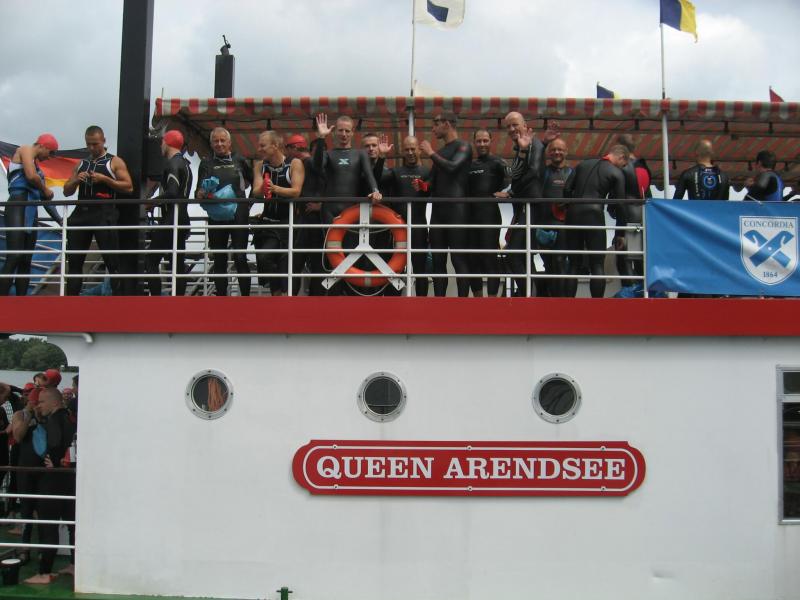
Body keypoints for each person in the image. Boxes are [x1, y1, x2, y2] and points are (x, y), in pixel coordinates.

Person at [312, 114, 382, 294]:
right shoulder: (328, 154)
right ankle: (334, 298)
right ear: (334, 132)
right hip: (330, 211)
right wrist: (321, 139)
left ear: (352, 132)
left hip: (351, 211)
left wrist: (375, 190)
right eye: (340, 130)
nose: (344, 134)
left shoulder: (360, 154)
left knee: (352, 255)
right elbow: (316, 167)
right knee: (333, 257)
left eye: (347, 131)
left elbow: (369, 175)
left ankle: (350, 297)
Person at [62, 126, 134, 296]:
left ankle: (118, 302)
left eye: (95, 144)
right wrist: (76, 181)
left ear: (103, 141)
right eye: (88, 144)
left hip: (104, 211)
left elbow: (129, 187)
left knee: (112, 262)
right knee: (74, 263)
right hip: (81, 212)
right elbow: (66, 191)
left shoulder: (114, 161)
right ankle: (70, 303)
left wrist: (105, 179)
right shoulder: (81, 163)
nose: (92, 147)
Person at [22, 387, 74, 584]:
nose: (39, 405)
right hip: (68, 480)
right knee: (72, 525)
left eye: (42, 402)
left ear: (54, 402)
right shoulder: (70, 418)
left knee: (48, 526)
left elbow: (55, 442)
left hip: (52, 482)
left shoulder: (53, 420)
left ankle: (44, 573)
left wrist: (55, 460)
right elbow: (72, 445)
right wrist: (65, 462)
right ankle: (75, 564)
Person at [416, 112, 472, 297]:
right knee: (438, 261)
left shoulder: (464, 146)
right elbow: (432, 182)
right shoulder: (440, 153)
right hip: (438, 212)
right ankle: (439, 303)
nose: (433, 129)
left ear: (447, 124)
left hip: (457, 211)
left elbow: (453, 167)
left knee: (458, 259)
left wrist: (430, 153)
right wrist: (422, 185)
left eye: (435, 124)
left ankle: (463, 304)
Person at [563, 144, 628, 298]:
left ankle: (568, 303)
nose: (623, 167)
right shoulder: (616, 173)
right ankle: (597, 304)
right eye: (624, 164)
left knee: (573, 263)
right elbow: (620, 205)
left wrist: (570, 207)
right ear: (621, 157)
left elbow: (566, 189)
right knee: (597, 263)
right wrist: (620, 233)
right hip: (594, 214)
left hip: (573, 213)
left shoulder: (583, 164)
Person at [195, 127, 254, 296]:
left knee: (240, 257)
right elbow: (197, 192)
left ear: (229, 142)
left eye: (223, 141)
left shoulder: (239, 160)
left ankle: (246, 299)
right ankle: (222, 299)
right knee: (219, 257)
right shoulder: (206, 163)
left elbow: (255, 183)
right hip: (217, 215)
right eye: (216, 141)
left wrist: (247, 204)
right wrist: (201, 193)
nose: (219, 144)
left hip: (239, 214)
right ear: (211, 144)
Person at [502, 112, 556, 296]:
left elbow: (534, 172)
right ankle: (529, 294)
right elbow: (516, 174)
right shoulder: (523, 147)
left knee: (514, 254)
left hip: (531, 206)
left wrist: (511, 192)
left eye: (515, 125)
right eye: (508, 126)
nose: (511, 129)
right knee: (523, 254)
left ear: (525, 126)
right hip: (522, 208)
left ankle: (527, 294)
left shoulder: (535, 144)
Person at [1, 134, 61, 296]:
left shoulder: (39, 171)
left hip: (31, 211)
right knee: (14, 256)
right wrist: (45, 189)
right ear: (43, 146)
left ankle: (22, 302)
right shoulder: (26, 149)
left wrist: (61, 221)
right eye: (50, 153)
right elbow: (30, 175)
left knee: (26, 260)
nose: (49, 158)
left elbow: (46, 200)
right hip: (18, 205)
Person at [252, 131, 305, 296]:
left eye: (263, 145)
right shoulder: (260, 166)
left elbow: (296, 191)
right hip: (267, 222)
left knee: (286, 263)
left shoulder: (294, 163)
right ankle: (276, 292)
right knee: (264, 258)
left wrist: (274, 189)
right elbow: (255, 192)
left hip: (288, 222)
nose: (259, 149)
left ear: (275, 146)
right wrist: (263, 188)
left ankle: (285, 295)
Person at [145, 130, 193, 296]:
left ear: (166, 143)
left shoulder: (173, 163)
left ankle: (156, 300)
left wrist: (151, 202)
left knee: (151, 260)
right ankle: (178, 301)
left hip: (171, 219)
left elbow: (172, 192)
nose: (160, 146)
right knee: (177, 264)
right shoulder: (185, 164)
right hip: (182, 217)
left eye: (162, 143)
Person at [467, 129, 507, 297]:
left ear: (491, 141)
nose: (482, 144)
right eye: (479, 141)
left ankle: (491, 300)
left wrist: (507, 192)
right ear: (474, 143)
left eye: (485, 140)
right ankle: (478, 300)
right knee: (472, 259)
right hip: (470, 217)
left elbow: (513, 180)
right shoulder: (469, 165)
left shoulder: (498, 163)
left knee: (489, 257)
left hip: (490, 215)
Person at [285, 134, 326, 296]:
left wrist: (322, 205)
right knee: (304, 262)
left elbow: (332, 184)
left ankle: (299, 298)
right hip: (306, 218)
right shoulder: (304, 163)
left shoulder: (310, 163)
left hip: (313, 220)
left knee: (304, 262)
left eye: (288, 149)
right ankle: (305, 299)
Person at [391, 136, 431, 296]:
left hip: (418, 226)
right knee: (396, 268)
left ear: (419, 150)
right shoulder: (396, 172)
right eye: (406, 149)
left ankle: (422, 304)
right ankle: (395, 305)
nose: (410, 152)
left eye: (413, 149)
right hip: (398, 228)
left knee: (420, 268)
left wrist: (425, 187)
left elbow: (435, 190)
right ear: (402, 151)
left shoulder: (426, 172)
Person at [611, 134, 651, 291]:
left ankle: (630, 293)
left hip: (626, 215)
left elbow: (619, 196)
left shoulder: (622, 166)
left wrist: (612, 208)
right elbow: (647, 194)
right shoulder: (644, 166)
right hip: (641, 215)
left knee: (624, 258)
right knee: (639, 256)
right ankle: (642, 291)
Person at [538, 138, 572, 297]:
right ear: (548, 153)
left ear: (566, 151)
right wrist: (544, 143)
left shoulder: (572, 173)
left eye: (560, 149)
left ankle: (562, 300)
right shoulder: (543, 172)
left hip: (564, 225)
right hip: (544, 224)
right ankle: (551, 299)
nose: (557, 152)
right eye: (553, 150)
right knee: (548, 263)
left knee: (560, 261)